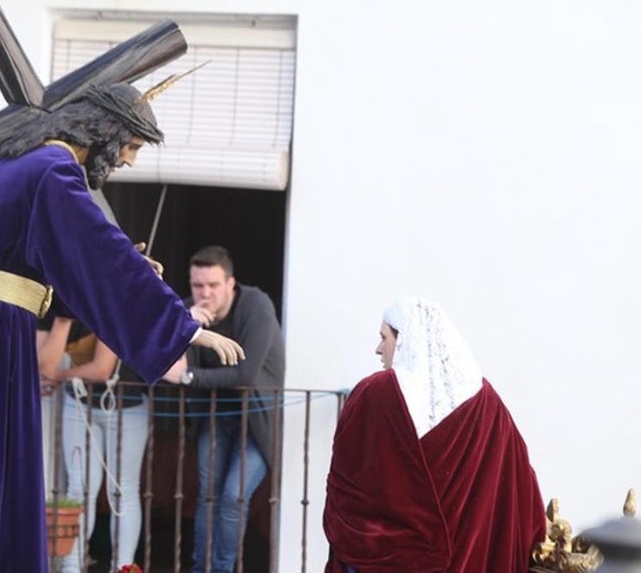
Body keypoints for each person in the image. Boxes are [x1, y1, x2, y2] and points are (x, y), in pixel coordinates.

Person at [0, 82, 245, 573]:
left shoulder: (15, 162)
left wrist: (123, 271)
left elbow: (59, 264)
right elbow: (99, 253)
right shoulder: (55, 172)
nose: (130, 162)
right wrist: (184, 327)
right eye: (132, 147)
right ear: (107, 132)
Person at [323, 297, 545, 573]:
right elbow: (520, 486)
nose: (379, 349)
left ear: (404, 339)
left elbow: (348, 491)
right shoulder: (487, 404)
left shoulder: (375, 393)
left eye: (384, 337)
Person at [163, 245, 285, 573]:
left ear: (231, 284)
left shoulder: (256, 305)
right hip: (214, 417)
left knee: (233, 498)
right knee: (207, 497)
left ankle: (222, 568)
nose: (205, 294)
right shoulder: (189, 310)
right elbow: (163, 365)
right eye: (197, 286)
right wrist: (185, 329)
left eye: (213, 286)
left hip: (257, 421)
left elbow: (244, 373)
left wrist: (189, 377)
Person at [38, 314, 150, 573]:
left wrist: (60, 374)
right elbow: (44, 367)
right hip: (78, 403)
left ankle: (121, 567)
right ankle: (71, 567)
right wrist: (62, 321)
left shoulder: (106, 297)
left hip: (126, 404)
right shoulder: (56, 308)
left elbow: (102, 369)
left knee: (122, 491)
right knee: (79, 488)